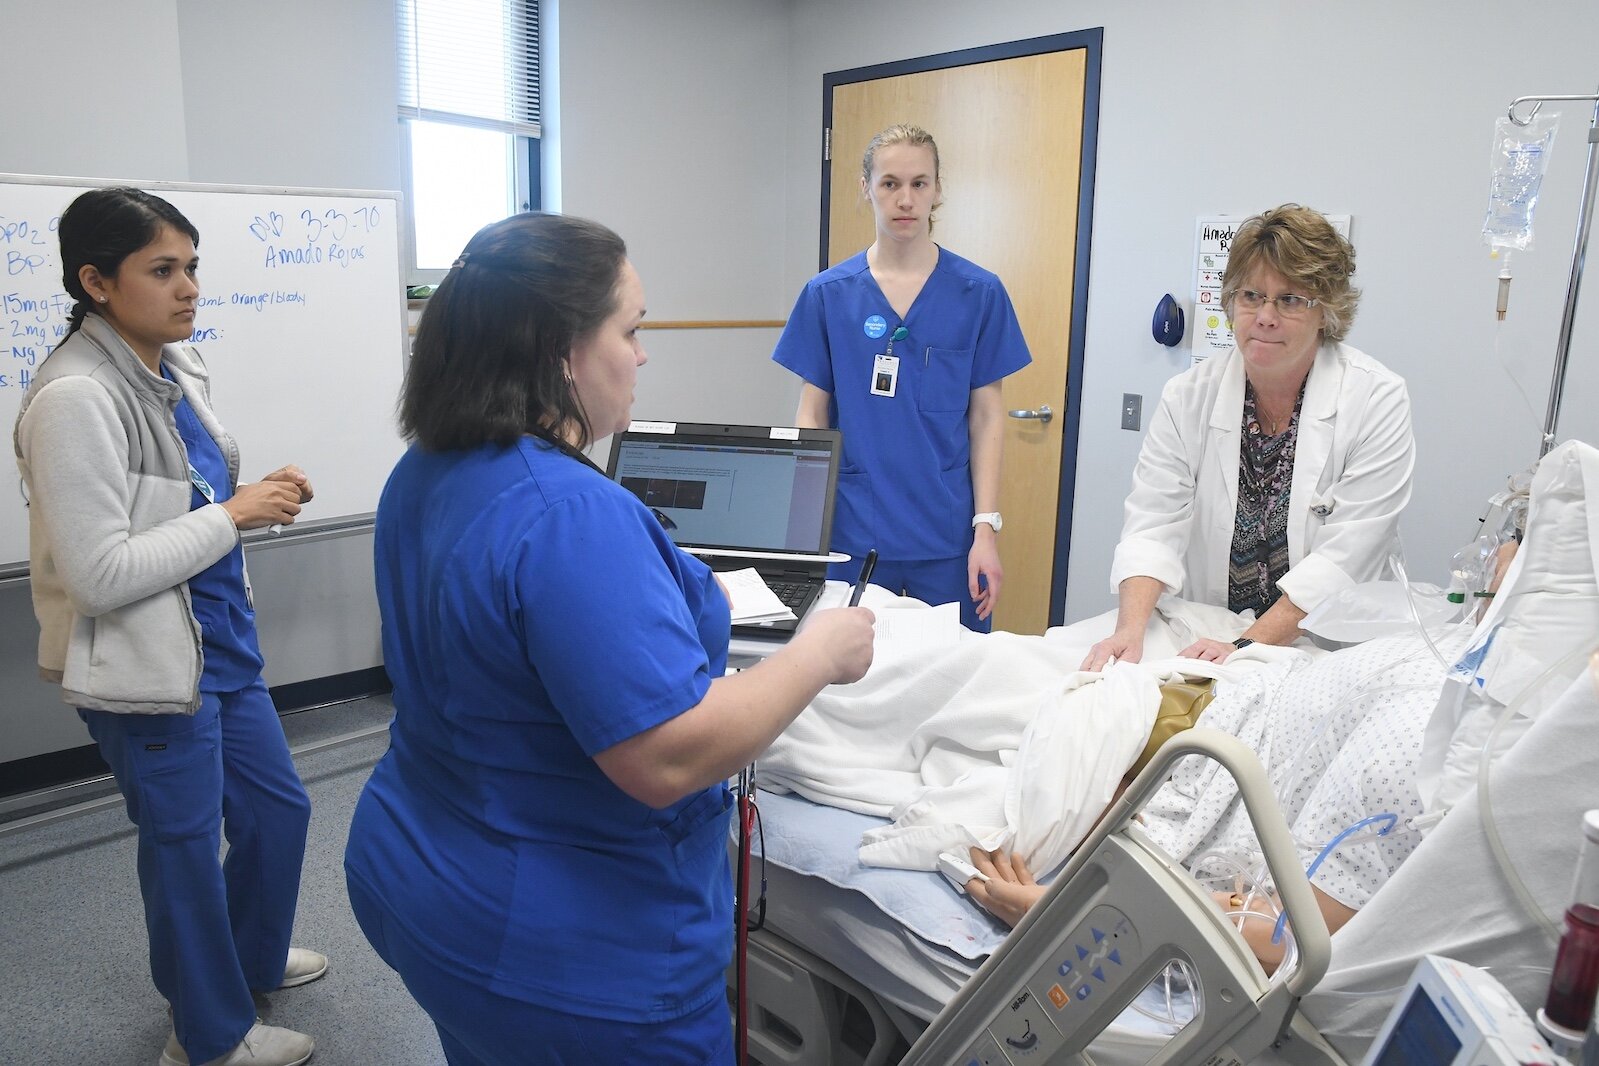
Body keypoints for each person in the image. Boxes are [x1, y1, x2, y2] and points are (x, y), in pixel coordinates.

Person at [342, 212, 875, 1066]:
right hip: (568, 952)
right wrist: (815, 656)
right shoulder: (570, 517)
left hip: (417, 872)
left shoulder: (426, 470)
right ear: (560, 349)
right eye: (630, 330)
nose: (642, 353)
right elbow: (663, 759)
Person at [13, 187, 323, 1066]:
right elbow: (101, 574)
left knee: (278, 813)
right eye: (162, 270)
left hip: (215, 646)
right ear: (96, 282)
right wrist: (235, 513)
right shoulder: (73, 397)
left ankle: (246, 961)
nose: (188, 287)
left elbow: (176, 501)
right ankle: (208, 1033)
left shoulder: (169, 370)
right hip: (142, 666)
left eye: (191, 267)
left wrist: (245, 499)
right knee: (183, 850)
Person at [1083, 204, 1415, 671]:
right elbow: (1152, 524)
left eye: (1291, 300)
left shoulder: (1375, 398)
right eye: (1251, 296)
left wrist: (1245, 647)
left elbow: (1350, 555)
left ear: (1328, 312)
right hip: (1210, 628)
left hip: (1324, 644)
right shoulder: (1187, 397)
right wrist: (1130, 630)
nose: (1265, 316)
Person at [772, 124, 1032, 632]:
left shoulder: (978, 293)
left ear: (937, 190)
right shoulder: (829, 295)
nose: (905, 199)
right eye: (890, 183)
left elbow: (986, 418)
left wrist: (986, 530)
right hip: (853, 530)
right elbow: (812, 414)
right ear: (865, 187)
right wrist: (803, 529)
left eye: (919, 183)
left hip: (948, 534)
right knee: (855, 681)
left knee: (953, 677)